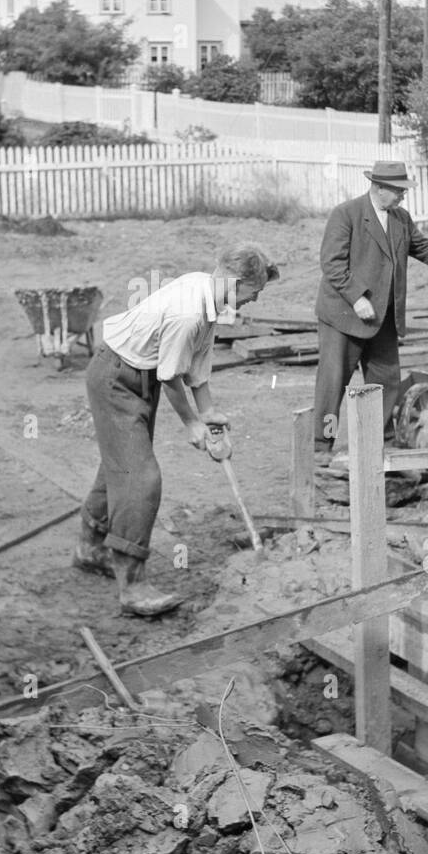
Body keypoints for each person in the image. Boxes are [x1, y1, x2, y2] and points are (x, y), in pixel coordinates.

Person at [75, 244, 279, 618]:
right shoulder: (190, 310)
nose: (255, 299)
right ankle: (132, 587)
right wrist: (192, 423)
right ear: (235, 283)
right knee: (141, 478)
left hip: (137, 374)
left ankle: (90, 548)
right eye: (255, 292)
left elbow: (196, 363)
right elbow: (170, 376)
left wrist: (208, 411)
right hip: (115, 378)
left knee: (119, 465)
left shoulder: (209, 294)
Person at [312, 160, 428, 458]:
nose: (403, 196)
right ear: (379, 187)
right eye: (398, 191)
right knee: (333, 385)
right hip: (343, 317)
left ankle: (373, 444)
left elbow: (423, 249)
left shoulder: (400, 218)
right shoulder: (346, 215)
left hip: (382, 319)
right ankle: (322, 446)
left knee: (386, 382)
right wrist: (357, 298)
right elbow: (332, 264)